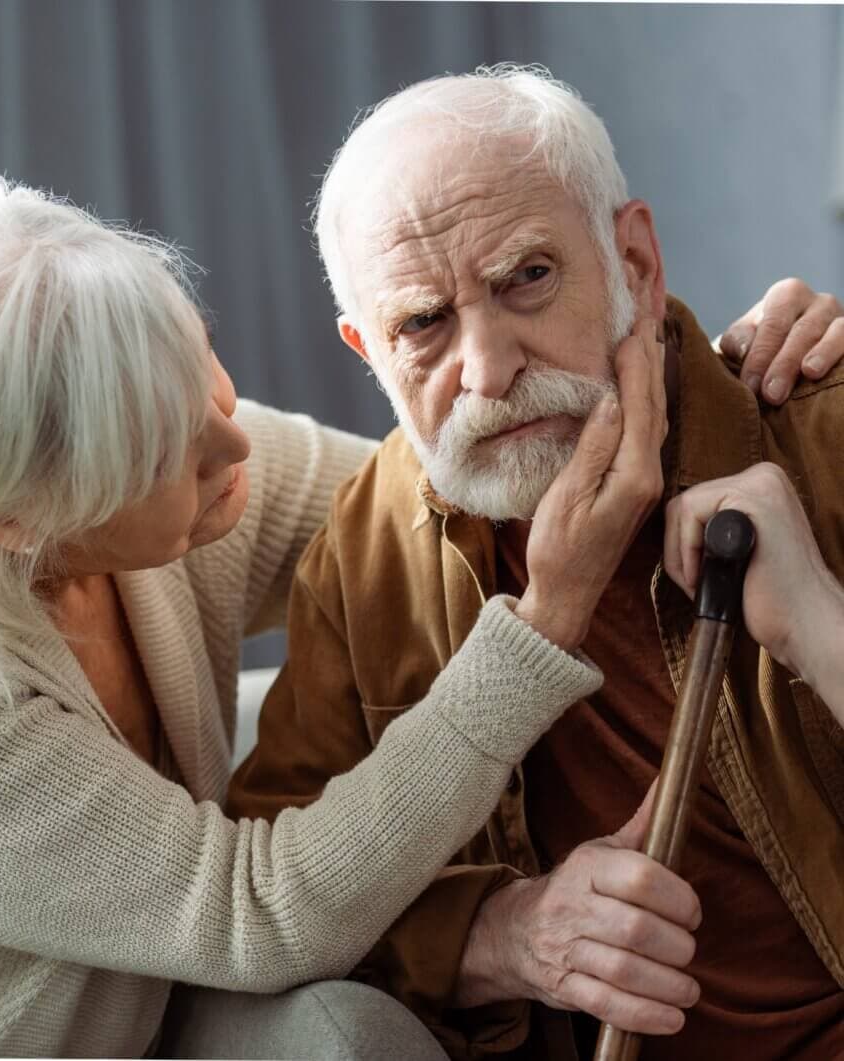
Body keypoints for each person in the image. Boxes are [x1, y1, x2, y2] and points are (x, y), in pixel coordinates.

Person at [0, 180, 833, 1061]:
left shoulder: (187, 461)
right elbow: (255, 914)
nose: (235, 442)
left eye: (200, 375)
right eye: (167, 454)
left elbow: (465, 487)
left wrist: (715, 380)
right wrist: (545, 619)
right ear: (21, 522)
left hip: (162, 1007)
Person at [228, 65, 844, 1060]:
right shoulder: (369, 543)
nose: (487, 366)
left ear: (634, 261)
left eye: (526, 278)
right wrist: (498, 933)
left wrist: (819, 622)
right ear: (366, 353)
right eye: (422, 323)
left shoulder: (821, 426)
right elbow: (276, 896)